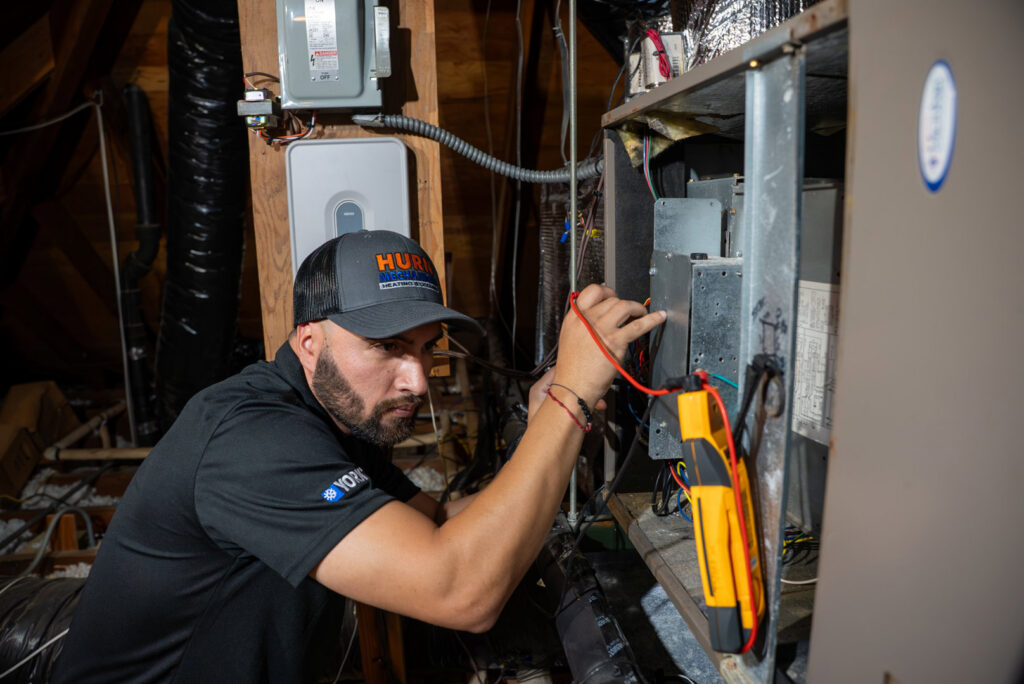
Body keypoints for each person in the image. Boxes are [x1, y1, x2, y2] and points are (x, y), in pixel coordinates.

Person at [51, 229, 666, 682]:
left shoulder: (331, 417)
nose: (418, 381)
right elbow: (462, 591)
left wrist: (545, 429)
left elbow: (438, 525)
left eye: (425, 349)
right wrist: (569, 400)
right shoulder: (253, 438)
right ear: (310, 340)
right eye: (388, 347)